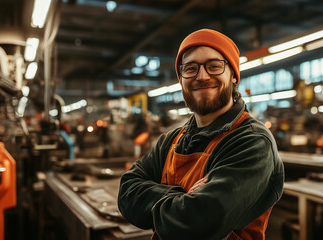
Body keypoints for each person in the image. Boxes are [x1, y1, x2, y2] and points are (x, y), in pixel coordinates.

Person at [118, 29, 284, 240]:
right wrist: (181, 197)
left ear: (233, 76)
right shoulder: (170, 141)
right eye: (191, 68)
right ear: (181, 79)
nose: (202, 76)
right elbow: (127, 193)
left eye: (214, 66)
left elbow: (198, 223)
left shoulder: (251, 141)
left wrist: (155, 198)